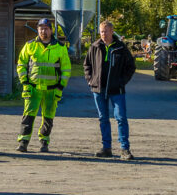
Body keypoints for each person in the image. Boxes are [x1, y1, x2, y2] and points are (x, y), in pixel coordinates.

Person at [14, 18, 71, 153]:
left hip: (51, 90)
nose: (43, 31)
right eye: (40, 28)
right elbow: (21, 64)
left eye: (45, 28)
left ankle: (44, 142)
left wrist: (60, 87)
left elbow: (66, 69)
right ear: (37, 30)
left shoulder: (60, 47)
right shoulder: (30, 45)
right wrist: (25, 83)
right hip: (33, 88)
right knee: (28, 115)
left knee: (48, 118)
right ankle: (23, 142)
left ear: (51, 30)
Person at [84, 20, 137, 160]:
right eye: (101, 31)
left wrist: (121, 82)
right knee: (103, 119)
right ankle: (106, 148)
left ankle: (125, 149)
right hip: (98, 90)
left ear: (112, 32)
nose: (103, 34)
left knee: (121, 118)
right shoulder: (95, 47)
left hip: (116, 91)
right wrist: (90, 81)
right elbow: (87, 65)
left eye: (106, 31)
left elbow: (131, 67)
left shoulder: (121, 47)